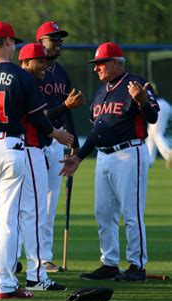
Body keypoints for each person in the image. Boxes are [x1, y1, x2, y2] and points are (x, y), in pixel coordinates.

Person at [0, 21, 73, 300]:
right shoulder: (21, 77)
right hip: (11, 147)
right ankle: (6, 285)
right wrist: (57, 134)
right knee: (8, 219)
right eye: (14, 42)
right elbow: (36, 119)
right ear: (7, 42)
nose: (15, 45)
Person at [60, 42, 159, 282]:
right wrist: (79, 157)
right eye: (95, 64)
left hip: (129, 154)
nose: (96, 69)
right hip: (103, 156)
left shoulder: (136, 84)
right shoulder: (102, 91)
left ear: (117, 62)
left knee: (131, 213)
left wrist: (143, 101)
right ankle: (110, 263)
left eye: (101, 63)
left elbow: (153, 117)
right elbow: (97, 131)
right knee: (103, 213)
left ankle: (137, 266)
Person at [17, 43, 72, 291]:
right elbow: (39, 119)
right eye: (40, 61)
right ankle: (36, 275)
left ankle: (0, 271)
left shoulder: (9, 79)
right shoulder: (28, 83)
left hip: (10, 149)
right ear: (26, 62)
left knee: (9, 214)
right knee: (36, 213)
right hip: (30, 148)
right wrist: (57, 134)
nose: (45, 65)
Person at [36, 21, 83, 272]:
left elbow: (69, 110)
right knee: (19, 202)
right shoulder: (29, 71)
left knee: (50, 202)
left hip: (57, 142)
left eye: (60, 39)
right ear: (40, 41)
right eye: (53, 39)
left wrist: (73, 141)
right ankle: (8, 256)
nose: (58, 43)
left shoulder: (61, 72)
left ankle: (44, 257)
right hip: (32, 143)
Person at [145, 86, 171, 169]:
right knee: (151, 134)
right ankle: (149, 161)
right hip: (163, 105)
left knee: (156, 133)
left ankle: (169, 154)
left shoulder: (136, 85)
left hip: (159, 106)